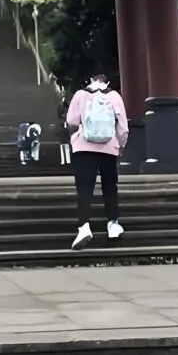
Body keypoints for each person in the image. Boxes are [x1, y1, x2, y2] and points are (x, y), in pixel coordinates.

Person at [64, 69, 129, 249]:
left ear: (91, 79)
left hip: (83, 148)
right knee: (110, 186)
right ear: (107, 81)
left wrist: (74, 138)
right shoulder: (114, 96)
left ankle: (84, 226)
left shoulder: (80, 95)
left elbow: (72, 121)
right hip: (109, 147)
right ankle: (113, 224)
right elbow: (123, 127)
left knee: (84, 188)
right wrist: (120, 145)